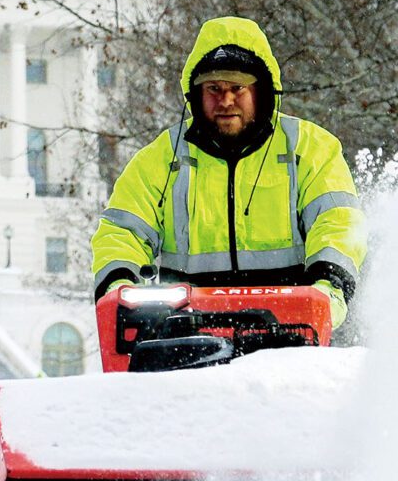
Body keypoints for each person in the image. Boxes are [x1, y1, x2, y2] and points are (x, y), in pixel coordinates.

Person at [91, 17, 366, 327]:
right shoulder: (161, 159)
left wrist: (328, 287)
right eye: (214, 88)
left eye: (238, 88)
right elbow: (122, 231)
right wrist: (119, 287)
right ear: (196, 94)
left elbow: (337, 222)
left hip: (292, 325)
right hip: (185, 329)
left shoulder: (310, 148)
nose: (226, 100)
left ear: (261, 91)